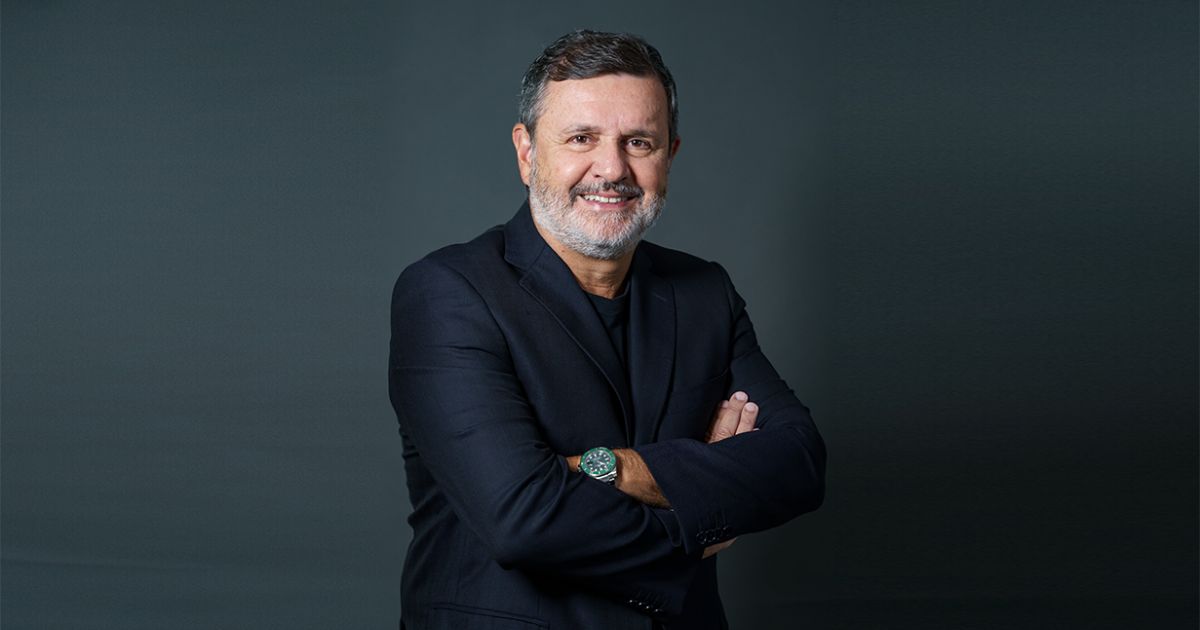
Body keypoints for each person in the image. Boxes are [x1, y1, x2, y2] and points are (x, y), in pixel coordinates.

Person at [389, 30, 826, 630]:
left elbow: (800, 462)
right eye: (582, 138)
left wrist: (604, 467)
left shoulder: (704, 293)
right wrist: (698, 516)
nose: (612, 168)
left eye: (638, 142)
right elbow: (523, 519)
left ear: (669, 153)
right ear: (526, 152)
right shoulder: (448, 292)